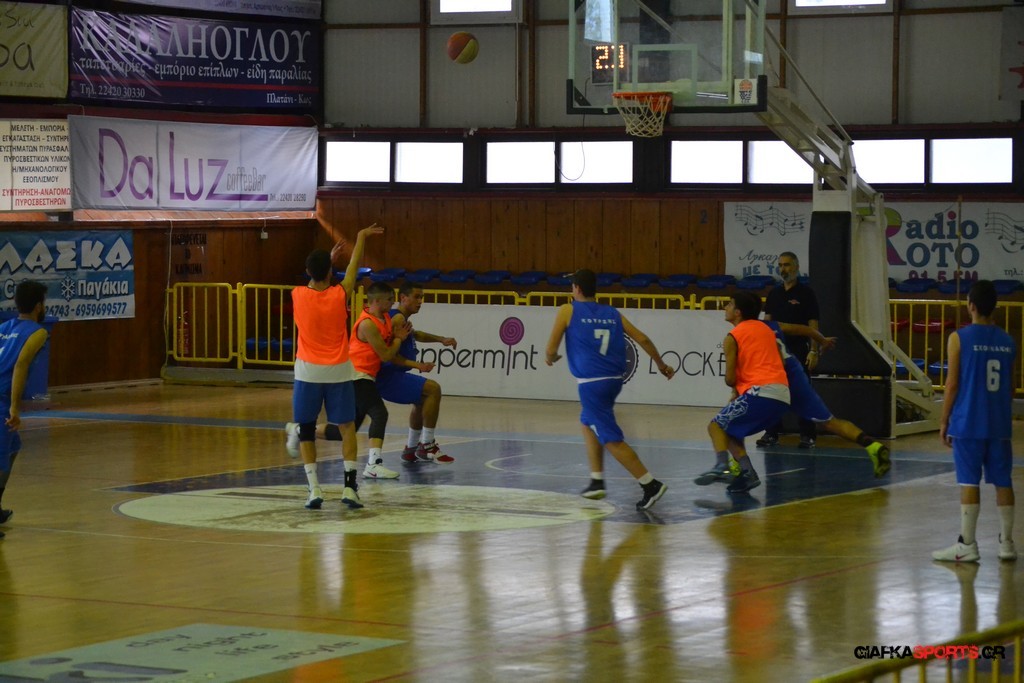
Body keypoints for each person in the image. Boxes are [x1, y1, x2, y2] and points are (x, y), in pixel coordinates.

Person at [544, 268, 675, 511]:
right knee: (587, 422)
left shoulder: (567, 310)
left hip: (592, 384)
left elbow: (551, 349)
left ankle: (650, 484)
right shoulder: (612, 313)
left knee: (611, 438)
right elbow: (643, 339)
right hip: (614, 380)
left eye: (572, 285)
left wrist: (551, 358)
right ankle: (596, 481)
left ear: (577, 288)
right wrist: (661, 364)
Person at [289, 224, 382, 510]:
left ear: (308, 271)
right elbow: (352, 269)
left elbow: (315, 278)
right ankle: (350, 488)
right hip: (339, 370)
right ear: (330, 272)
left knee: (306, 429)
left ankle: (314, 488)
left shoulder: (297, 294)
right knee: (347, 428)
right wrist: (361, 237)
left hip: (308, 371)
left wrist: (325, 263)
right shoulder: (340, 295)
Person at [933, 280, 1017, 563]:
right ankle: (1007, 543)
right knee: (1003, 481)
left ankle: (967, 544)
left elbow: (952, 384)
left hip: (968, 421)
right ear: (994, 307)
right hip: (999, 424)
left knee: (969, 481)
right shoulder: (1008, 341)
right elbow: (1010, 387)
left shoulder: (959, 338)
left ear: (971, 306)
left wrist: (944, 420)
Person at [764, 319, 892, 478]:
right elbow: (806, 329)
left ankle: (739, 467)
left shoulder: (747, 331)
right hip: (795, 375)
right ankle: (874, 446)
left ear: (738, 312)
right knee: (829, 422)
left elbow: (779, 359)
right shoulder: (771, 325)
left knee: (735, 422)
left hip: (777, 382)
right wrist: (823, 340)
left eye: (734, 306)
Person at [695, 291, 790, 494]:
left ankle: (722, 466)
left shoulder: (733, 337)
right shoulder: (766, 329)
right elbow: (781, 362)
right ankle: (747, 473)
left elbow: (730, 379)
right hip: (782, 395)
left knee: (716, 426)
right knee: (732, 430)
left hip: (761, 392)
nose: (725, 308)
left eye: (729, 304)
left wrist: (738, 386)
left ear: (738, 312)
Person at [377, 281, 457, 464]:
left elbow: (415, 334)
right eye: (416, 297)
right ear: (403, 298)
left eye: (422, 297)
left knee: (421, 399)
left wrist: (441, 339)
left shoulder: (401, 318)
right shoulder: (397, 319)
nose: (420, 301)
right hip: (388, 376)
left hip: (392, 375)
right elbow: (389, 355)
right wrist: (418, 365)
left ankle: (411, 449)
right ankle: (427, 445)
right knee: (433, 389)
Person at [0, 280, 49, 540]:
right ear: (39, 306)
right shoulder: (37, 332)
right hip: (1, 401)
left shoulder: (3, 328)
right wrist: (14, 408)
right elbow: (20, 365)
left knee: (13, 449)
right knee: (0, 459)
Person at [348, 282, 412, 479]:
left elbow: (393, 343)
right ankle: (373, 464)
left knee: (346, 428)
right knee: (379, 413)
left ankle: (300, 431)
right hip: (357, 376)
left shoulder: (385, 318)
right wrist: (399, 339)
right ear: (376, 301)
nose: (393, 303)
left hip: (366, 376)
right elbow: (385, 355)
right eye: (389, 299)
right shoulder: (367, 324)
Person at [758, 251, 820, 449]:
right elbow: (767, 323)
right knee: (771, 392)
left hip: (798, 350)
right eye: (781, 265)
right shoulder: (774, 294)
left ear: (796, 267)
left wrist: (814, 351)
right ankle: (771, 433)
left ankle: (808, 435)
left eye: (787, 265)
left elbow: (813, 325)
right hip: (776, 351)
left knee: (802, 392)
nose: (783, 269)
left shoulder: (806, 294)